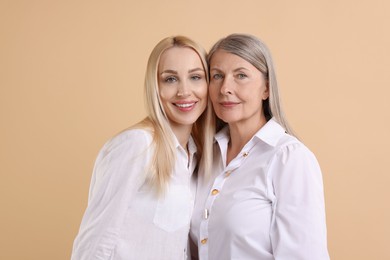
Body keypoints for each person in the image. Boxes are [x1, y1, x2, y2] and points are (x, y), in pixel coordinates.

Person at [71, 35, 214, 260]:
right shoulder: (137, 145)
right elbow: (94, 242)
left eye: (195, 77)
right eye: (170, 79)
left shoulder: (195, 157)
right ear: (154, 87)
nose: (184, 91)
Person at [190, 33, 330, 259]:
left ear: (266, 88)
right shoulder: (205, 155)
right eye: (217, 76)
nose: (225, 88)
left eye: (241, 75)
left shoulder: (288, 158)